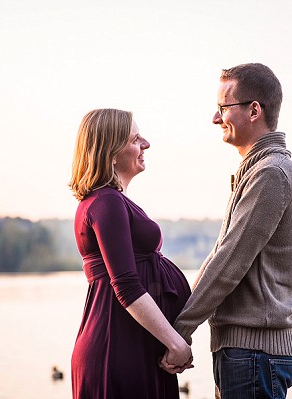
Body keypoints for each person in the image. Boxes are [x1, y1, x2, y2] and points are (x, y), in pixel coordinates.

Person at [171, 63, 292, 399]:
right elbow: (221, 256)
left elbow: (229, 263)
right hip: (244, 352)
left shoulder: (271, 174)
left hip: (255, 355)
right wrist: (176, 327)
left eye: (223, 108)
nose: (216, 119)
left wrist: (180, 331)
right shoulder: (257, 170)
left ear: (254, 110)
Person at [68, 108, 194, 398]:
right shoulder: (106, 202)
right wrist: (175, 344)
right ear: (111, 152)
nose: (146, 144)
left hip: (130, 344)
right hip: (118, 348)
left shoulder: (107, 201)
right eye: (136, 138)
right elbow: (125, 285)